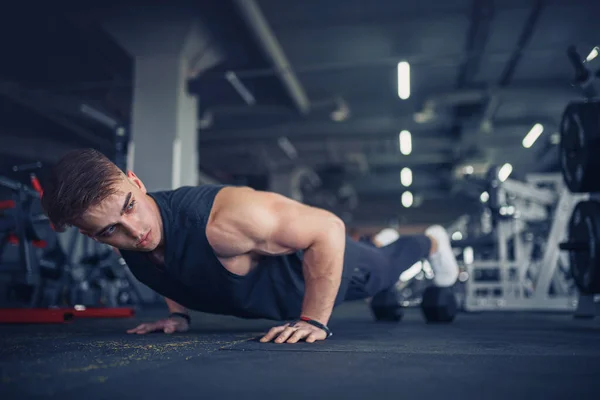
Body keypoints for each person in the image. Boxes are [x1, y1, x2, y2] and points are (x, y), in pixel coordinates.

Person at [41, 148, 459, 344]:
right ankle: (386, 243)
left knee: (386, 266)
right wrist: (179, 316)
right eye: (109, 230)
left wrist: (313, 320)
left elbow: (328, 228)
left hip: (335, 269)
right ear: (90, 234)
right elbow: (163, 264)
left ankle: (429, 240)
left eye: (130, 207)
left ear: (136, 181)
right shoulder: (121, 238)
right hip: (284, 288)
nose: (132, 232)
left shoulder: (228, 221)